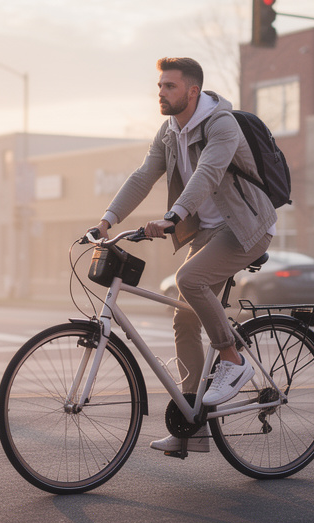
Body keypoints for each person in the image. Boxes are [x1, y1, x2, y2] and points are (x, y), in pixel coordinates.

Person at [94, 57, 277, 455]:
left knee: (188, 280)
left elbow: (207, 174)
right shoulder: (169, 130)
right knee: (183, 319)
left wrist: (173, 216)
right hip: (209, 232)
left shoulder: (222, 125)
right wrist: (108, 220)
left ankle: (232, 359)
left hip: (246, 227)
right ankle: (191, 423)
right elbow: (144, 175)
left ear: (193, 91)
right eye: (160, 86)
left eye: (170, 87)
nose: (161, 93)